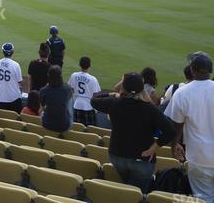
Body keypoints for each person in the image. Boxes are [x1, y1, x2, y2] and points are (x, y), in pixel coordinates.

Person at [92, 72, 175, 193]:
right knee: (135, 193)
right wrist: (155, 147)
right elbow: (170, 130)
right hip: (140, 159)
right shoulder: (150, 109)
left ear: (123, 87)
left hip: (117, 156)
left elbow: (95, 99)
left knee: (130, 190)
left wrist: (113, 94)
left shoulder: (114, 102)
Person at [165, 52, 214, 203]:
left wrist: (174, 145)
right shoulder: (182, 93)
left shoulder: (182, 92)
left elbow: (176, 125)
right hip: (198, 157)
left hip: (198, 158)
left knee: (204, 198)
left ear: (192, 70)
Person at [68, 56, 101, 126]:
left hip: (76, 105)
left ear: (80, 65)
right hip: (88, 106)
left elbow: (71, 89)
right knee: (90, 128)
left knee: (77, 127)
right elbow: (96, 94)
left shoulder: (74, 75)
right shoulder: (93, 79)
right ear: (89, 65)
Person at [39, 66, 73, 132]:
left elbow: (42, 107)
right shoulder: (67, 88)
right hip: (64, 126)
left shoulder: (43, 90)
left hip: (47, 124)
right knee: (70, 101)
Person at [0, 43, 23, 113]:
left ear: (3, 52)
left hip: (2, 98)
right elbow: (20, 81)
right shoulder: (16, 65)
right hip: (14, 98)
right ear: (12, 52)